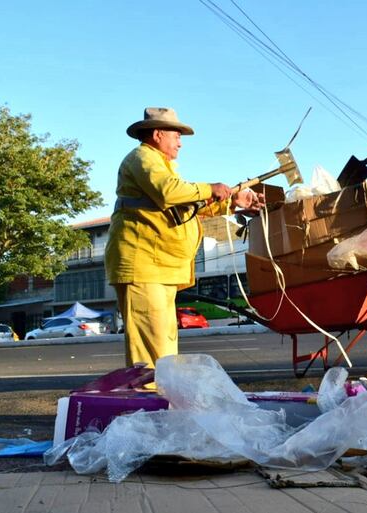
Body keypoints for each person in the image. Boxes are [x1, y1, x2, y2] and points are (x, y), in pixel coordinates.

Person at [105, 107, 263, 371]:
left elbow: (186, 207)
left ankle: (161, 401)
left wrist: (233, 203)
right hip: (144, 266)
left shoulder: (161, 166)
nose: (180, 142)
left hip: (158, 267)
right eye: (176, 135)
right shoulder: (143, 158)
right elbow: (170, 193)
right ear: (157, 134)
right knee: (152, 348)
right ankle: (151, 402)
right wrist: (210, 188)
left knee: (163, 344)